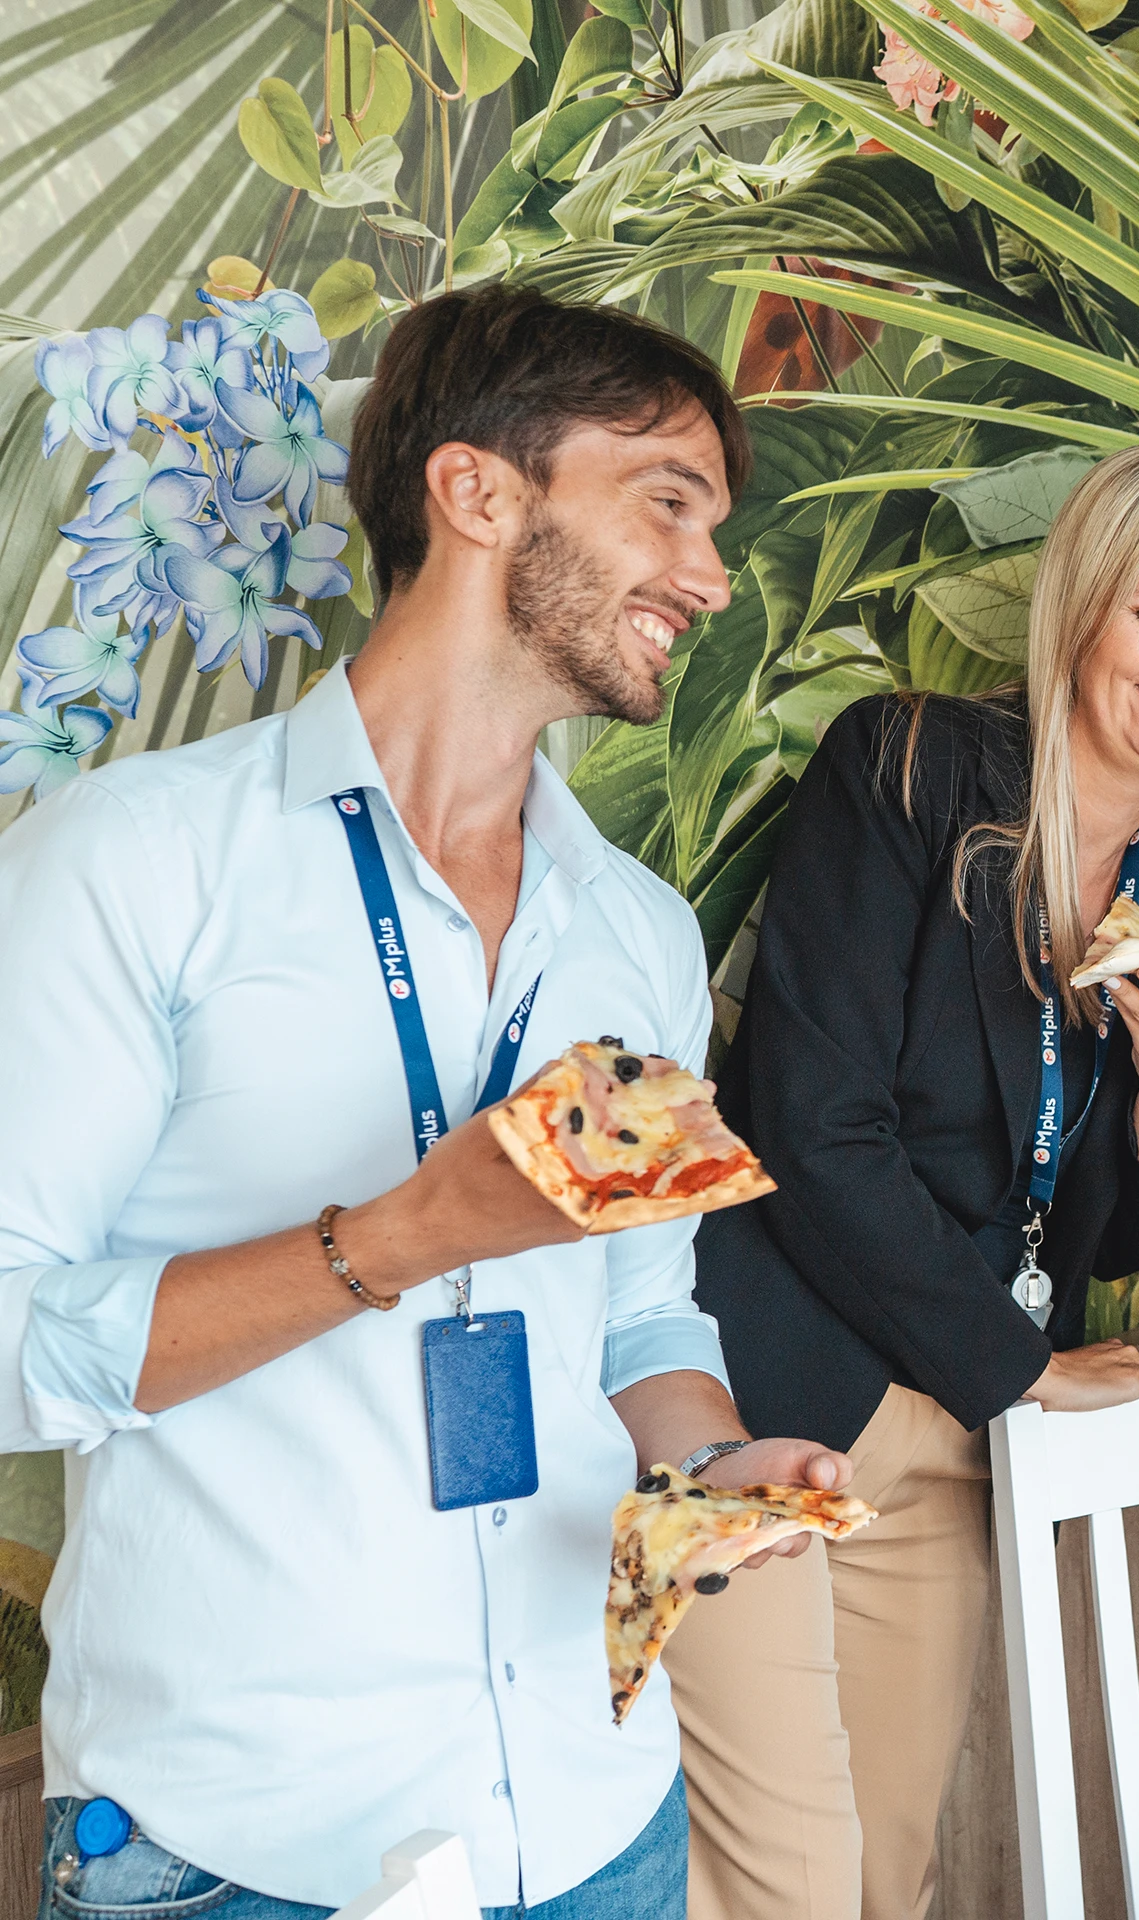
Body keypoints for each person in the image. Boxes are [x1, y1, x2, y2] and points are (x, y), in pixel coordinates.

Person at [0, 285, 852, 1918]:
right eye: (668, 503)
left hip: (602, 1818)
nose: (712, 576)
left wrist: (714, 1461)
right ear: (476, 493)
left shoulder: (637, 934)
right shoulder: (132, 865)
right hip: (242, 1852)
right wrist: (398, 1239)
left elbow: (640, 1320)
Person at [669, 442, 1139, 1919]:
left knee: (896, 1868)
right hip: (771, 1388)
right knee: (776, 1886)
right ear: (1078, 610)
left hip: (957, 1420)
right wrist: (1021, 1368)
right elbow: (814, 1131)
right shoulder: (907, 766)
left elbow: (1128, 1220)